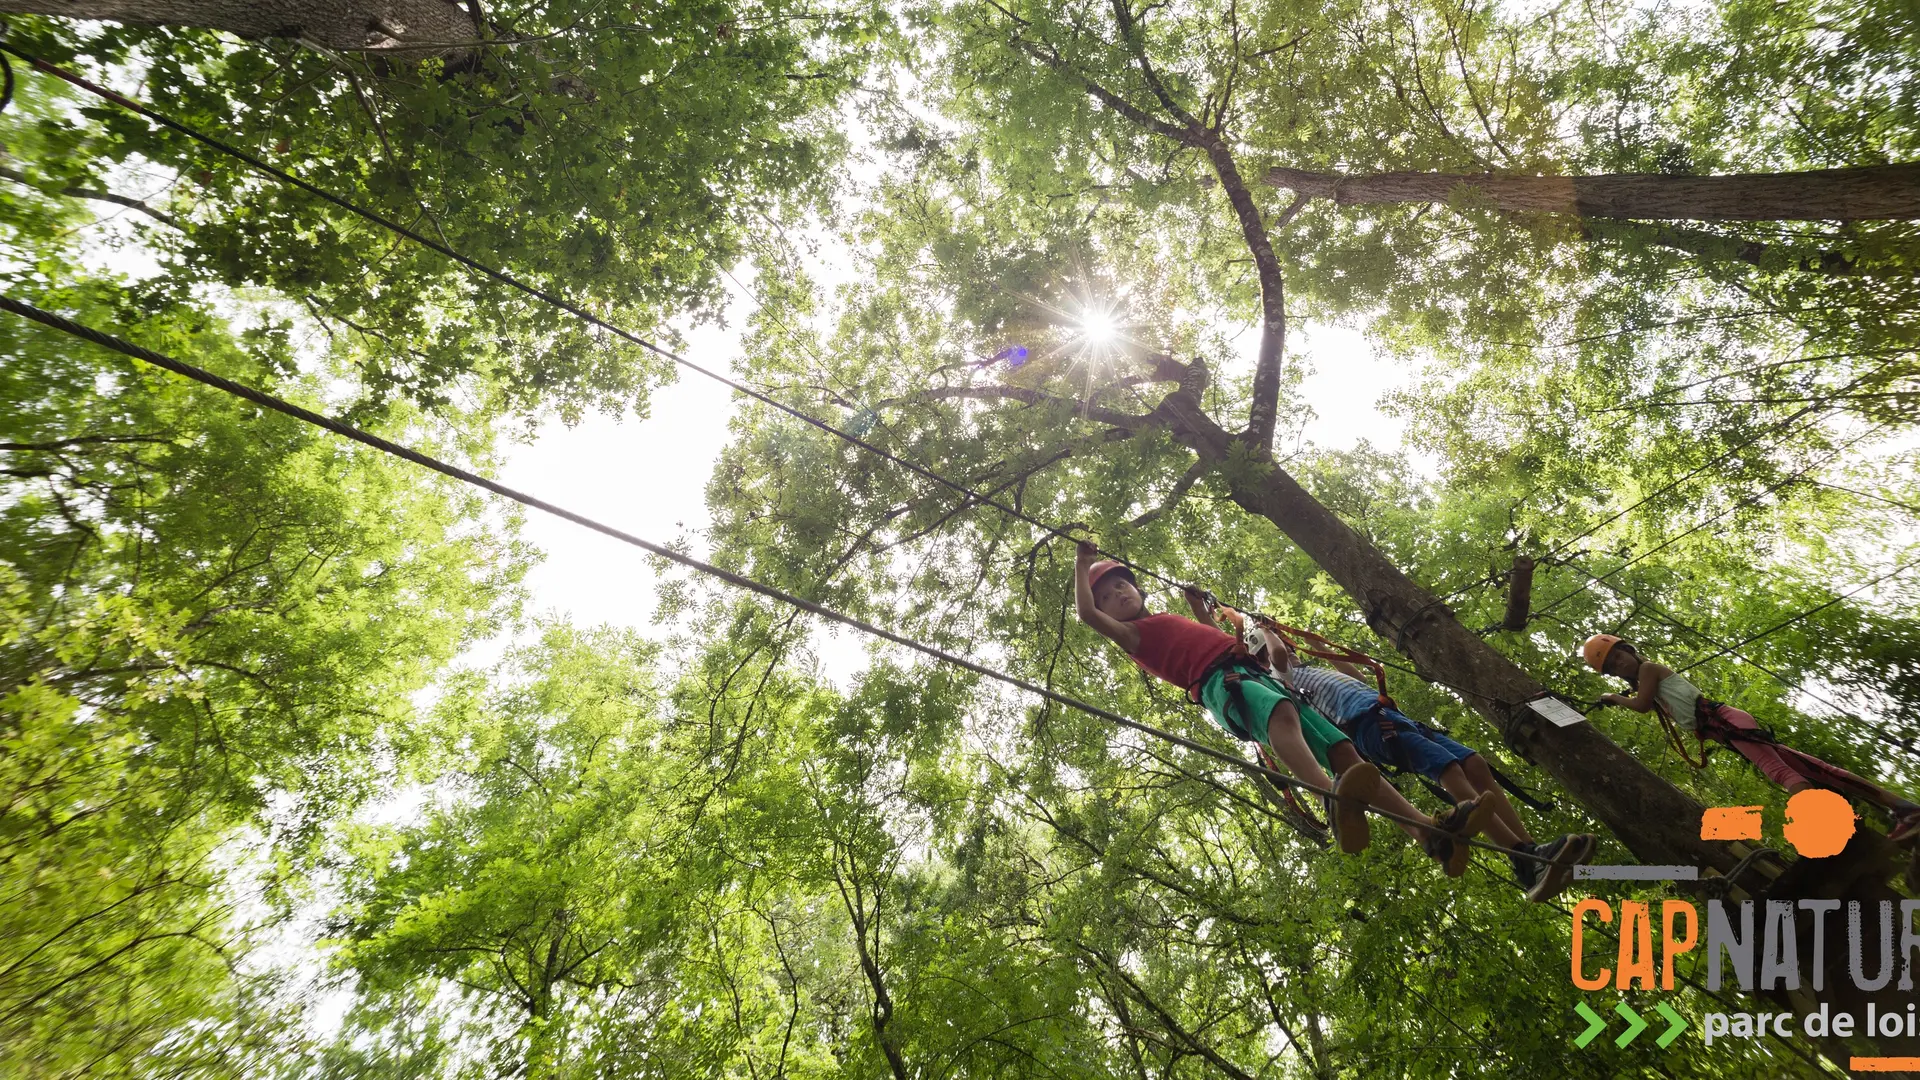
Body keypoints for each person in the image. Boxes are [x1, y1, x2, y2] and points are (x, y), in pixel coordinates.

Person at [1072, 541, 1493, 873]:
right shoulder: (1132, 637)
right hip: (1226, 685)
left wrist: (1200, 610)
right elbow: (1085, 614)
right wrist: (1082, 563)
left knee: (1344, 752)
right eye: (1107, 595)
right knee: (1281, 715)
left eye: (1121, 585)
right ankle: (1328, 795)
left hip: (1248, 672)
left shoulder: (1164, 619)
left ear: (1138, 588)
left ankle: (1427, 834)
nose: (1117, 594)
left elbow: (1214, 640)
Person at [1246, 626, 1596, 902]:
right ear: (1262, 658)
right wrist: (1267, 630)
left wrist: (1319, 648)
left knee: (1475, 764)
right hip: (1369, 726)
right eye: (1272, 650)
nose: (1285, 650)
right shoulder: (1283, 679)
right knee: (1450, 770)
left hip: (1389, 715)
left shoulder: (1311, 668)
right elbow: (1276, 655)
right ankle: (1523, 858)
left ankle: (1533, 851)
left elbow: (1360, 678)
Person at [1583, 634, 1920, 842]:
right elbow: (1651, 703)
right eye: (1613, 665)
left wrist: (1614, 698)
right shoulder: (1647, 682)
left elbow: (1640, 706)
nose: (1621, 663)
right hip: (1724, 729)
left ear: (1630, 649)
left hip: (1725, 721)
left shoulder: (1648, 670)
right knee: (1816, 768)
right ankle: (1903, 807)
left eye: (1619, 655)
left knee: (1782, 773)